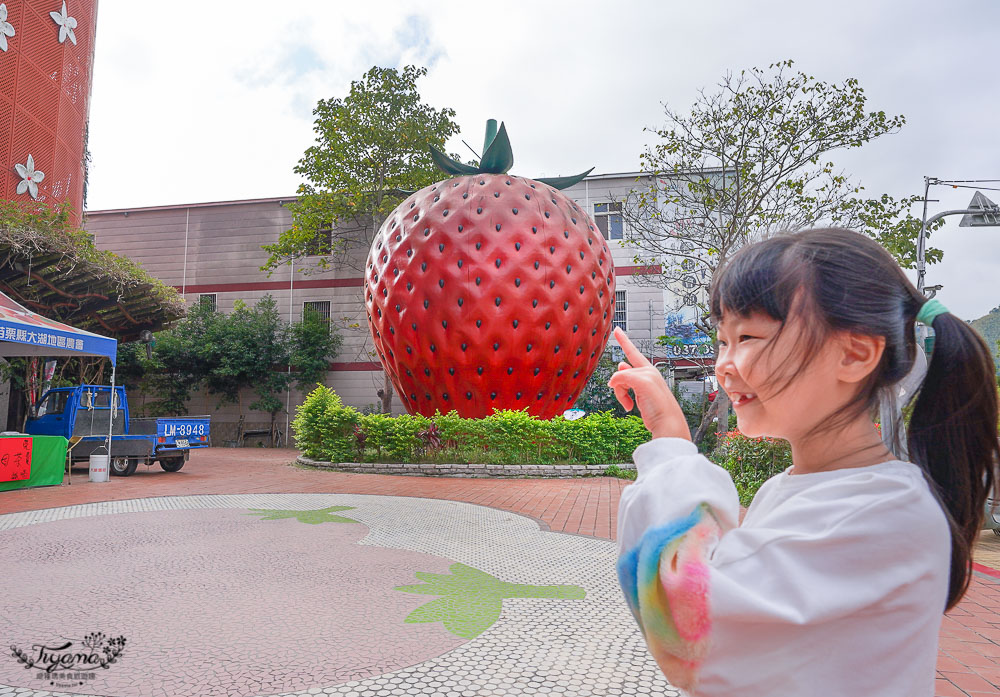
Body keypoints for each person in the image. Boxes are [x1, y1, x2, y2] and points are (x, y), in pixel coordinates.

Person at [608, 227, 999, 696]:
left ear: (854, 354)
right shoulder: (805, 488)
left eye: (748, 335)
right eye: (722, 340)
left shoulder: (884, 513)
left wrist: (671, 445)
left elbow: (690, 621)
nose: (724, 364)